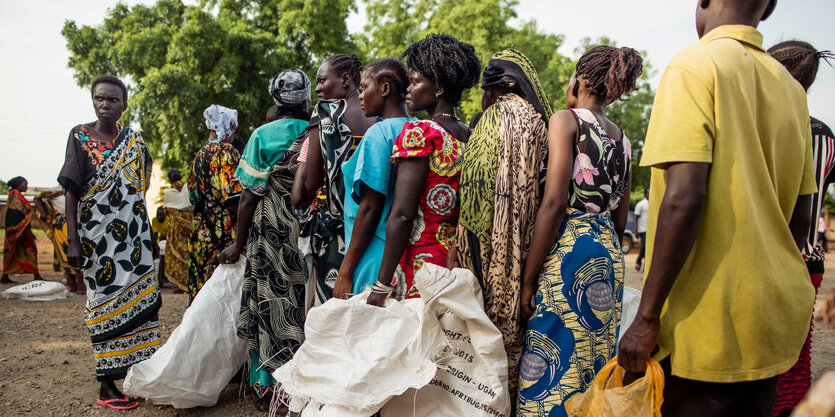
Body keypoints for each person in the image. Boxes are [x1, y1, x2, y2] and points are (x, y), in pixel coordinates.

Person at [617, 2, 818, 416]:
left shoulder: (695, 65)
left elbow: (683, 198)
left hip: (707, 326)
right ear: (769, 8)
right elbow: (801, 216)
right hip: (772, 317)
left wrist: (647, 317)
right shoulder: (792, 89)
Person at [516, 45, 641, 415]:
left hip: (571, 252)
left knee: (549, 360)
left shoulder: (566, 120)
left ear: (580, 79)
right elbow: (620, 220)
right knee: (590, 364)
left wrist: (527, 279)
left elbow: (554, 201)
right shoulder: (624, 139)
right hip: (608, 255)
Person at [59, 75, 161, 410]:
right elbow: (71, 190)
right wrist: (73, 239)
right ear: (92, 100)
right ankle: (106, 385)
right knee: (104, 306)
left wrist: (147, 234)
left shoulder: (134, 142)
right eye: (100, 98)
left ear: (124, 104)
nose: (106, 105)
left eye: (113, 100)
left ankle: (136, 375)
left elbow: (138, 193)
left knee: (140, 309)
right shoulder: (79, 136)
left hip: (133, 239)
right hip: (96, 239)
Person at [455, 49, 553, 397]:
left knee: (482, 359)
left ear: (494, 88)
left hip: (490, 260)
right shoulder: (543, 123)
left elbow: (475, 201)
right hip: (532, 256)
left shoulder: (491, 118)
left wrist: (463, 259)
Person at [218, 69, 311, 412]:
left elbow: (248, 196)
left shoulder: (262, 135)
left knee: (269, 302)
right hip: (309, 230)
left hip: (271, 229)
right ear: (305, 98)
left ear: (275, 99)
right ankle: (303, 382)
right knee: (303, 302)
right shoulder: (318, 133)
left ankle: (267, 387)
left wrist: (237, 244)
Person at [365, 34, 480, 306]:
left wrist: (381, 285)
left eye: (415, 82)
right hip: (457, 265)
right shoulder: (472, 137)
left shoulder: (420, 133)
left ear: (438, 87)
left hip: (419, 267)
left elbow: (403, 215)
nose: (408, 89)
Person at [768, 40, 835, 417]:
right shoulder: (825, 134)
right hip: (808, 263)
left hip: (770, 259)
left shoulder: (768, 124)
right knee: (796, 359)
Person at [292, 54, 376, 304]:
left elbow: (310, 183)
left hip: (337, 233)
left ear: (346, 79)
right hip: (374, 227)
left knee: (333, 311)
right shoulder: (379, 118)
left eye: (321, 81)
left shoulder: (325, 113)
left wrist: (304, 155)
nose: (317, 89)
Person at [336, 58, 415, 299]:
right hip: (403, 255)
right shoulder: (418, 128)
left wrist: (345, 272)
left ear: (385, 88)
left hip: (371, 253)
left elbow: (370, 207)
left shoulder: (379, 133)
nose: (360, 96)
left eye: (364, 88)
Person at [187, 104, 242, 301]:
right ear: (228, 127)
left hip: (200, 235)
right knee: (225, 298)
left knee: (204, 296)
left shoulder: (199, 156)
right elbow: (234, 199)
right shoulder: (226, 152)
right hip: (223, 236)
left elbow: (193, 196)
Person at [34, 189, 84, 292]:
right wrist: (43, 213)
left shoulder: (79, 188)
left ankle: (79, 285)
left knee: (79, 252)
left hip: (78, 221)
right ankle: (76, 285)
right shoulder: (55, 191)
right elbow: (37, 198)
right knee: (67, 253)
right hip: (62, 223)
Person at [2, 176, 42, 283]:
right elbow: (15, 213)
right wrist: (19, 231)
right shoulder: (14, 195)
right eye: (25, 184)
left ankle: (5, 276)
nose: (26, 186)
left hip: (22, 229)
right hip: (17, 230)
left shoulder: (17, 195)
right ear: (18, 184)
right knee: (28, 250)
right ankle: (36, 275)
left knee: (17, 251)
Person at [163, 169, 192, 293]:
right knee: (190, 253)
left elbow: (167, 211)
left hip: (177, 229)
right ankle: (190, 283)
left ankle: (182, 285)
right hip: (191, 225)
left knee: (178, 255)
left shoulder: (168, 192)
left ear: (170, 179)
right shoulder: (188, 187)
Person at [150, 206, 167, 286]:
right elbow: (155, 233)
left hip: (169, 239)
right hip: (162, 240)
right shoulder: (154, 220)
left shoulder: (168, 220)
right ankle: (160, 281)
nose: (159, 217)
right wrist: (155, 245)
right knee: (159, 258)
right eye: (158, 215)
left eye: (161, 215)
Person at [634, 188, 649, 270]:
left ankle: (645, 266)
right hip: (643, 229)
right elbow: (636, 217)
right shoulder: (641, 204)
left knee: (649, 248)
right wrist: (636, 230)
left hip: (651, 230)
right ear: (645, 195)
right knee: (644, 247)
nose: (649, 195)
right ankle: (638, 261)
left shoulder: (654, 203)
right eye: (648, 193)